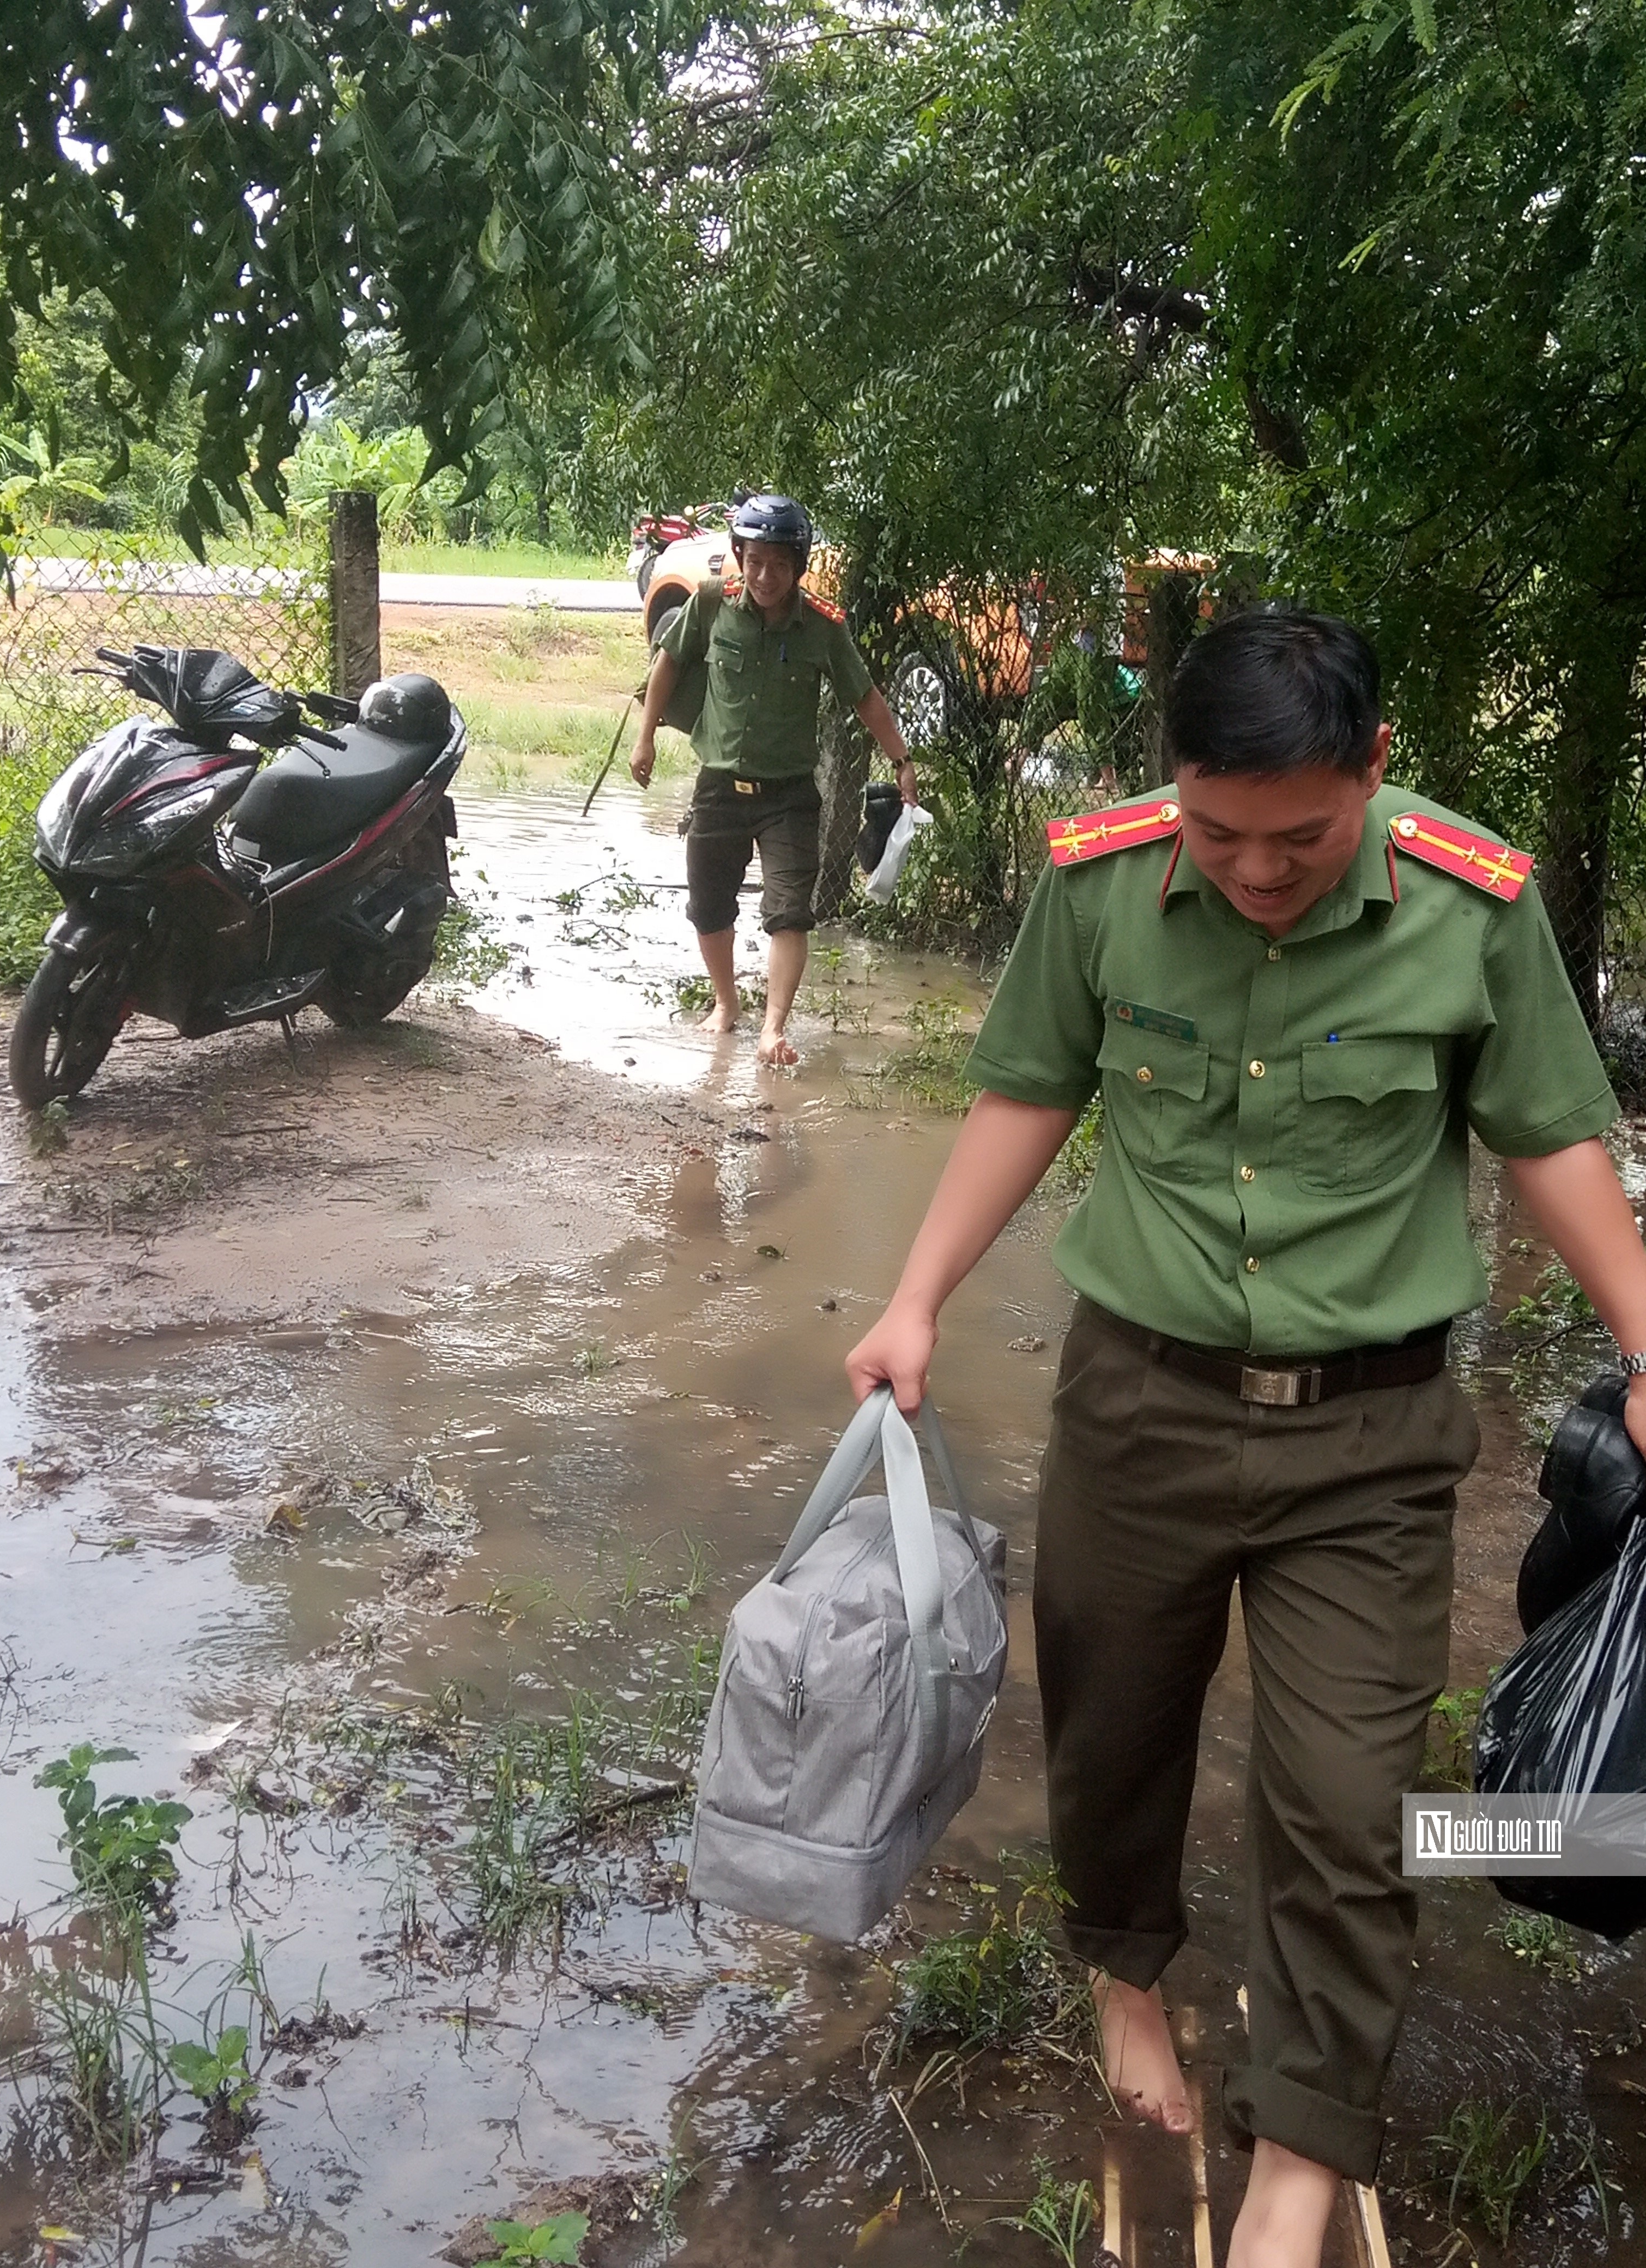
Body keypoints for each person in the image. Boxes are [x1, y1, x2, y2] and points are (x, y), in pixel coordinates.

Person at [844, 607, 1646, 2268]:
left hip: (1366, 1437)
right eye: (1216, 834)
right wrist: (913, 1297)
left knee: (1348, 1802)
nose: (1254, 871)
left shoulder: (1468, 904)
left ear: (1368, 769)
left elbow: (1551, 1134)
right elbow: (1026, 1087)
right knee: (1110, 1725)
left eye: (1297, 836)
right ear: (1171, 785)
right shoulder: (1094, 883)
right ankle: (1123, 1972)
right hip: (1137, 1402)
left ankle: (1299, 2140)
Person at [630, 493, 916, 1066]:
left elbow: (865, 697)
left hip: (789, 796)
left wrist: (902, 760)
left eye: (778, 565)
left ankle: (773, 1028)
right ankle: (726, 1003)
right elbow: (669, 664)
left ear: (798, 566)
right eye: (754, 561)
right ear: (739, 555)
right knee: (709, 906)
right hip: (719, 787)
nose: (765, 576)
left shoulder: (821, 628)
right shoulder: (712, 604)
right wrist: (646, 736)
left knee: (789, 910)